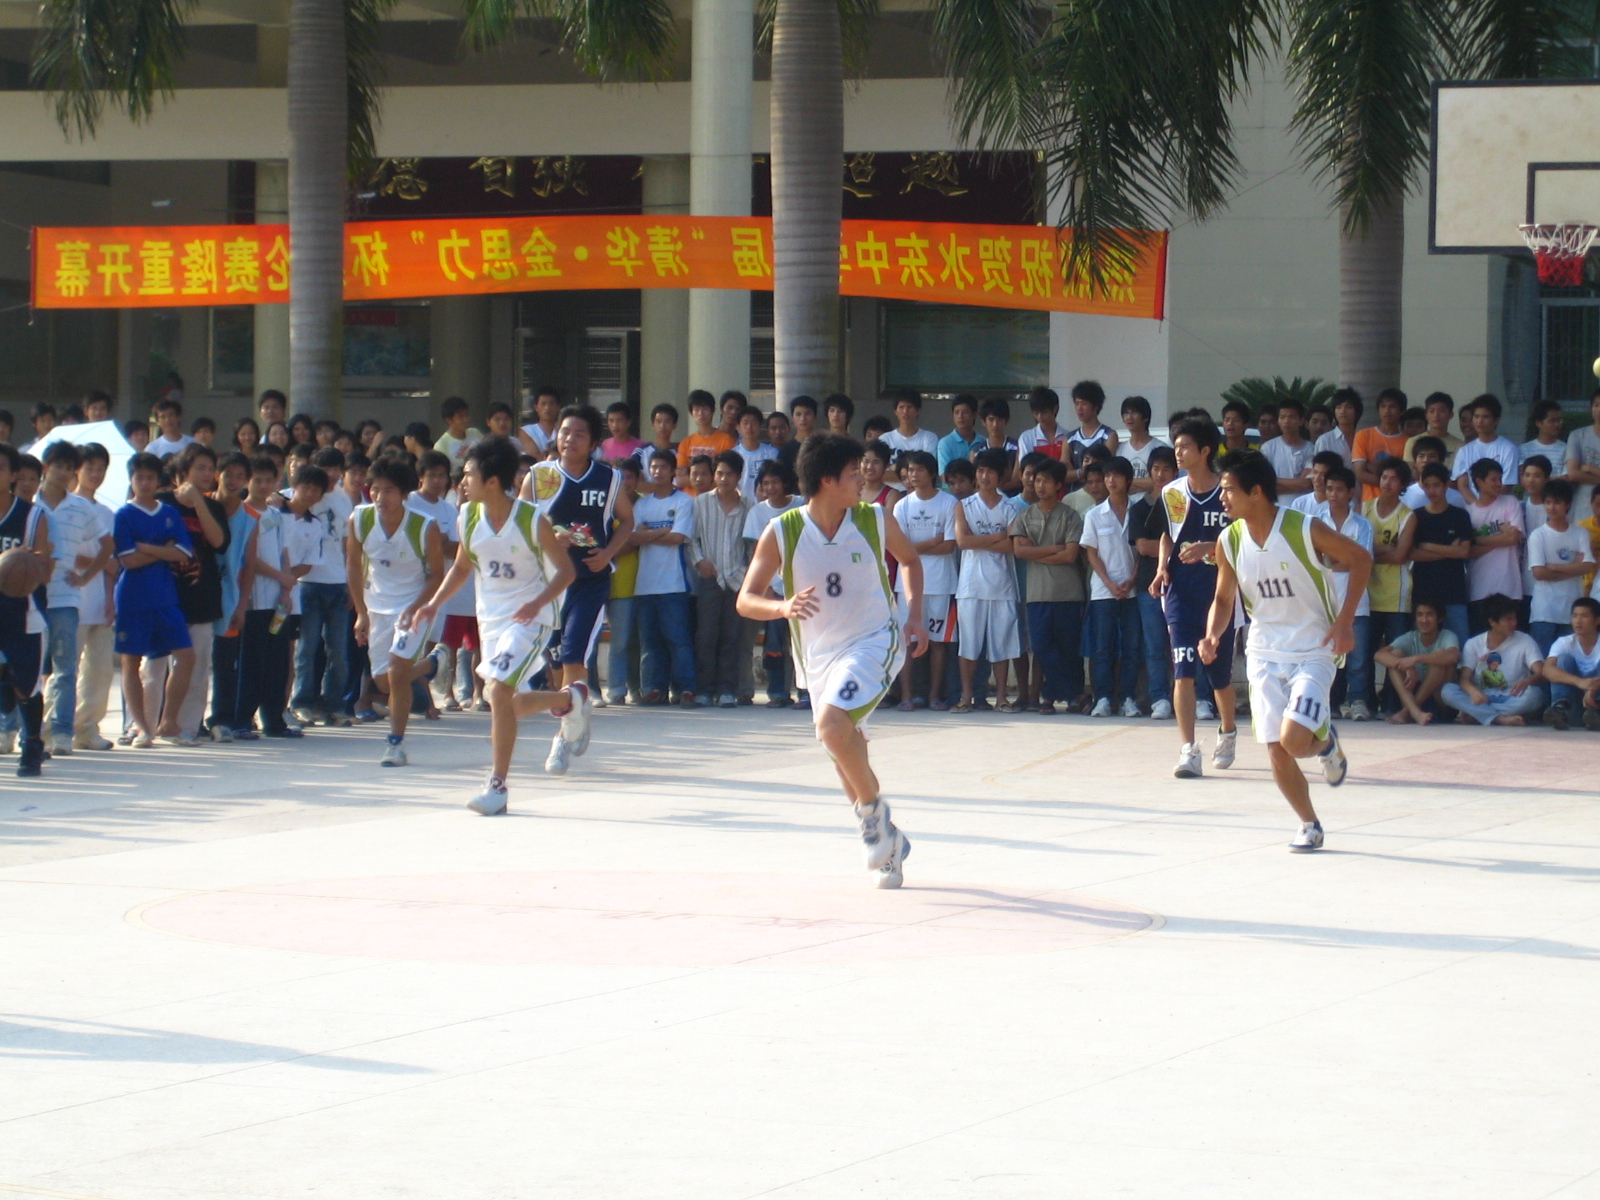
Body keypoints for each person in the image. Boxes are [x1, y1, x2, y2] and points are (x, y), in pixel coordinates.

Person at [737, 433, 928, 888]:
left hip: (874, 640)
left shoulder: (874, 517)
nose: (863, 479)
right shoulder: (782, 530)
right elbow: (746, 600)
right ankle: (887, 839)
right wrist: (782, 607)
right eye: (853, 472)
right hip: (819, 655)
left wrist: (915, 615)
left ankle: (873, 821)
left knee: (831, 725)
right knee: (842, 745)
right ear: (826, 481)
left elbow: (909, 561)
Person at [1204, 450, 1370, 852]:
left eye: (1228, 490)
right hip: (1264, 652)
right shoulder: (1230, 540)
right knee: (1276, 748)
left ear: (1256, 492)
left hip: (1314, 649)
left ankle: (1324, 743)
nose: (1221, 498)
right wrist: (1212, 635)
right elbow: (1224, 598)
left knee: (1295, 741)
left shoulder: (1303, 528)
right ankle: (1309, 823)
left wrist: (1345, 621)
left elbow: (1361, 559)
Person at [412, 437, 584, 815]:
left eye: (468, 474)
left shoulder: (531, 520)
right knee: (503, 701)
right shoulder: (468, 516)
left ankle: (497, 787)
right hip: (490, 620)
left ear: (492, 481)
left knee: (500, 692)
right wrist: (433, 604)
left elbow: (566, 572)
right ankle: (568, 700)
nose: (462, 481)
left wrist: (536, 603)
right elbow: (462, 567)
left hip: (530, 618)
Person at [521, 404, 633, 773]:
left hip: (589, 579)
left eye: (579, 434)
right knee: (554, 663)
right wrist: (547, 540)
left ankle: (562, 740)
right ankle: (576, 712)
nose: (570, 439)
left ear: (594, 442)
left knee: (573, 656)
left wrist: (608, 553)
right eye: (565, 431)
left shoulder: (608, 478)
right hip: (549, 583)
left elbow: (627, 520)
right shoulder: (539, 476)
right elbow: (520, 526)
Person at [1151, 418, 1239, 776]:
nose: (1178, 451)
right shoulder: (1172, 493)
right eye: (1176, 445)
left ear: (1205, 450)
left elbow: (1244, 542)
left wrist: (1210, 548)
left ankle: (1228, 730)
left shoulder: (1228, 492)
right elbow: (1167, 535)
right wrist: (1162, 567)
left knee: (1219, 677)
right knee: (1183, 671)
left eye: (1185, 445)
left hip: (1220, 595)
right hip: (1181, 593)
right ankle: (1188, 750)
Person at [346, 455, 445, 767]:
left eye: (388, 490)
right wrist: (361, 613)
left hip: (414, 608)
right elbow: (353, 566)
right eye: (375, 490)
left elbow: (437, 576)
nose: (380, 497)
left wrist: (415, 608)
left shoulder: (423, 526)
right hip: (377, 608)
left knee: (397, 671)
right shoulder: (359, 519)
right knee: (384, 683)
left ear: (404, 494)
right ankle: (431, 664)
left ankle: (395, 744)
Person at [142, 444, 231, 745]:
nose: (206, 474)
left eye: (210, 469)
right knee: (154, 667)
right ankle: (145, 726)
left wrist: (199, 504)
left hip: (201, 596)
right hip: (162, 594)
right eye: (199, 468)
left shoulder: (214, 507)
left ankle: (185, 727)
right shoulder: (162, 502)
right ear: (183, 472)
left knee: (197, 667)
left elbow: (218, 542)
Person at [113, 453, 194, 751]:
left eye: (150, 477)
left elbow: (184, 553)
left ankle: (168, 721)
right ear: (131, 480)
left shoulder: (169, 512)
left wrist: (145, 547)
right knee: (131, 661)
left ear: (159, 480)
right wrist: (162, 549)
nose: (145, 482)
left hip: (165, 596)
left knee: (186, 656)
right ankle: (141, 727)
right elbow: (129, 560)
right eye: (139, 477)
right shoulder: (123, 515)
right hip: (133, 596)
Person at [35, 442, 110, 757]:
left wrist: (87, 576)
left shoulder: (85, 508)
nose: (64, 472)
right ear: (45, 467)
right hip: (31, 595)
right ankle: (25, 729)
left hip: (68, 597)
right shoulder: (29, 502)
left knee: (69, 670)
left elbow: (108, 546)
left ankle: (65, 732)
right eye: (59, 466)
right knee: (28, 669)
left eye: (69, 467)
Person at [233, 456, 305, 740]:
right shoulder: (242, 513)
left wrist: (286, 588)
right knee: (251, 661)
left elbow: (284, 552)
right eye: (257, 480)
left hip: (277, 601)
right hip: (252, 599)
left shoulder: (277, 515)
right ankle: (242, 718)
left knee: (278, 661)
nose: (263, 486)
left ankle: (274, 719)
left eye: (268, 481)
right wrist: (279, 576)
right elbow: (248, 558)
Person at [1011, 457, 1084, 714]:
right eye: (1037, 480)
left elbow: (1070, 555)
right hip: (1037, 593)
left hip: (1068, 593)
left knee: (1068, 648)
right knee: (1041, 646)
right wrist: (1054, 549)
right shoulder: (1024, 516)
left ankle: (1052, 697)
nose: (1040, 485)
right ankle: (1075, 693)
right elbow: (1019, 551)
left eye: (1046, 481)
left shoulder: (1070, 516)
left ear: (1059, 485)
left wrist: (1037, 553)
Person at [953, 448, 1024, 712]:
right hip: (970, 586)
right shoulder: (964, 505)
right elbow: (963, 541)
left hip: (1002, 585)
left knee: (1001, 644)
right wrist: (997, 536)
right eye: (980, 471)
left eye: (990, 472)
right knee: (968, 644)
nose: (985, 476)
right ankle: (966, 696)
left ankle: (1002, 697)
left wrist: (980, 540)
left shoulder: (1011, 506)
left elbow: (1012, 545)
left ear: (1000, 475)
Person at [891, 451, 957, 710]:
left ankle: (934, 695)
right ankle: (907, 695)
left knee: (938, 642)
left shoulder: (949, 503)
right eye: (910, 470)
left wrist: (914, 548)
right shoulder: (901, 506)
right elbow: (899, 548)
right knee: (907, 641)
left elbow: (949, 545)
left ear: (931, 473)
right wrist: (933, 541)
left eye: (919, 469)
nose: (913, 475)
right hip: (907, 584)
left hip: (940, 582)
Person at [630, 449, 696, 705]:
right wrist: (662, 532)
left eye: (662, 467)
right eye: (653, 467)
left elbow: (678, 538)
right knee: (650, 642)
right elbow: (632, 537)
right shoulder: (642, 504)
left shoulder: (683, 501)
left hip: (674, 583)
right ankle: (653, 689)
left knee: (678, 641)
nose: (657, 472)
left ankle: (685, 689)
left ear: (672, 471)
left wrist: (648, 533)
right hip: (645, 585)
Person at [690, 450, 754, 707]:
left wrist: (748, 572)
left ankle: (727, 689)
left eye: (729, 474)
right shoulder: (701, 503)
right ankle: (705, 689)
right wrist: (700, 562)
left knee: (731, 636)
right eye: (719, 474)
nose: (723, 479)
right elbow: (691, 538)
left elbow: (752, 545)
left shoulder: (749, 506)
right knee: (706, 636)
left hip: (738, 579)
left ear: (738, 477)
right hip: (710, 577)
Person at [1081, 457, 1142, 717]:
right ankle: (1103, 698)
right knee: (1103, 648)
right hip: (1103, 591)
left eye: (1116, 476)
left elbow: (1142, 551)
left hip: (1132, 590)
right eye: (1107, 476)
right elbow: (1091, 553)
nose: (1110, 481)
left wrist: (1132, 579)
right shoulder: (1094, 515)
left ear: (1128, 480)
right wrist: (1109, 582)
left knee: (1131, 647)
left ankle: (1128, 698)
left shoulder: (1139, 510)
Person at [744, 460, 804, 707]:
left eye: (775, 482)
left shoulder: (801, 505)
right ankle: (777, 692)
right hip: (774, 590)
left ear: (785, 483)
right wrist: (764, 588)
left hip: (801, 586)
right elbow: (753, 553)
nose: (770, 487)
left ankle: (806, 693)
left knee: (802, 644)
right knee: (774, 645)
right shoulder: (757, 513)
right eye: (765, 483)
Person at [1316, 466, 1375, 719]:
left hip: (1355, 601)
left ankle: (1358, 700)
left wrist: (1332, 559)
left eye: (1339, 489)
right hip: (1323, 601)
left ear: (1351, 492)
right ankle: (1329, 702)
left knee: (1358, 659)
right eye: (1329, 488)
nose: (1333, 494)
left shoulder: (1363, 525)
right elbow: (1313, 560)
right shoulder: (1315, 521)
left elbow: (1362, 561)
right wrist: (1344, 558)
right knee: (1325, 656)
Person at [70, 444, 119, 751]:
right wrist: (99, 563)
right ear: (77, 469)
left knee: (99, 671)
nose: (95, 474)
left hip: (100, 599)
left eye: (101, 469)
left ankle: (87, 729)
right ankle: (54, 728)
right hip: (69, 598)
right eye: (90, 467)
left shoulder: (106, 513)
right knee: (65, 670)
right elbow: (64, 553)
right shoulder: (64, 507)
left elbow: (113, 562)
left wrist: (111, 599)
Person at [1440, 593, 1545, 726]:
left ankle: (1479, 715)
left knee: (1535, 695)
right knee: (1448, 691)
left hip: (1511, 696)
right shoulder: (1474, 644)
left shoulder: (1525, 640)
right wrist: (1472, 691)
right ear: (1492, 622)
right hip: (1481, 697)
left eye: (1514, 618)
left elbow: (1540, 673)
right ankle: (1499, 719)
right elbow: (1464, 679)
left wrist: (1527, 681)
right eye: (1508, 619)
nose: (1514, 623)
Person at [1130, 445, 1177, 720]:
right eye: (1156, 469)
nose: (1161, 474)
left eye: (1166, 469)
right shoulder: (1139, 508)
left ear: (1176, 472)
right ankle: (1160, 698)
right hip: (1149, 584)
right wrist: (1172, 549)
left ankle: (1195, 697)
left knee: (1184, 646)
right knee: (1155, 646)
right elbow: (1143, 547)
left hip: (1182, 584)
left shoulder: (1184, 505)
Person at [1364, 460, 1416, 695]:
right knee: (1366, 651)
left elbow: (1400, 556)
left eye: (1393, 479)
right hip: (1367, 592)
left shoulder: (1407, 516)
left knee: (1396, 654)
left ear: (1402, 484)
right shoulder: (1364, 509)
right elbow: (1358, 552)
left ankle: (1391, 700)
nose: (1387, 482)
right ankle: (1365, 700)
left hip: (1397, 594)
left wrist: (1370, 552)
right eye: (1384, 477)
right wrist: (1385, 549)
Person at [1409, 462, 1475, 646]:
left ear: (1446, 485)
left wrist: (1428, 545)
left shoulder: (1460, 515)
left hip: (1453, 593)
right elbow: (1412, 553)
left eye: (1436, 485)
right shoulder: (1416, 517)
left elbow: (1464, 551)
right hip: (1423, 593)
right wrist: (1449, 551)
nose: (1432, 490)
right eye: (1427, 485)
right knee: (1422, 648)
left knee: (1460, 646)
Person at [1526, 478, 1592, 655]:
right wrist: (1573, 568)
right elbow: (1539, 573)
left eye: (1557, 502)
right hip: (1544, 611)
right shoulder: (1538, 535)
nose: (1551, 507)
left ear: (1568, 504)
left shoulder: (1580, 533)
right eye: (1547, 502)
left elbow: (1587, 566)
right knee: (1542, 661)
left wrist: (1554, 567)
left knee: (1567, 662)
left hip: (1572, 611)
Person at [1463, 459, 1525, 633]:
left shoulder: (1510, 502)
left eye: (1500, 479)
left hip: (1509, 588)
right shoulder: (1468, 513)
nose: (1499, 484)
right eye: (1493, 479)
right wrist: (1501, 538)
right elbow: (1467, 551)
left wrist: (1478, 539)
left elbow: (1513, 538)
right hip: (1478, 589)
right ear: (1479, 481)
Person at [1375, 599, 1460, 724]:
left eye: (1429, 615)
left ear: (1439, 618)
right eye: (1420, 615)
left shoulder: (1447, 636)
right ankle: (1414, 712)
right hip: (1412, 697)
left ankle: (1407, 712)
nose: (1424, 620)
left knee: (1439, 658)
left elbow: (1453, 656)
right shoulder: (1411, 637)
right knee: (1395, 657)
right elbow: (1379, 655)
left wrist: (1416, 659)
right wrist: (1406, 666)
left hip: (1440, 702)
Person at [1541, 596, 1600, 730]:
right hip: (1575, 703)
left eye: (1584, 616)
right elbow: (1547, 670)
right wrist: (1580, 682)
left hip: (1593, 702)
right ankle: (1560, 710)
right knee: (1563, 660)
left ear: (1597, 620)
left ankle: (1596, 713)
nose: (1578, 621)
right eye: (1575, 616)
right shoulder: (1564, 642)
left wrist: (1592, 689)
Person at [1453, 393, 1521, 505]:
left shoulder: (1509, 449)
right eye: (1476, 416)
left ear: (1496, 420)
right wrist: (1477, 506)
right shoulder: (1464, 451)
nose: (1480, 421)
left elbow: (1507, 485)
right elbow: (1462, 485)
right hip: (1472, 508)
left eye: (1485, 417)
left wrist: (1488, 506)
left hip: (1500, 507)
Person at [1351, 388, 1410, 501]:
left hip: (1398, 503)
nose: (1387, 411)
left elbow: (1405, 477)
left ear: (1402, 411)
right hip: (1370, 502)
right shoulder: (1363, 435)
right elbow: (1360, 474)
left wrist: (1370, 467)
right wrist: (1393, 482)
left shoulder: (1408, 441)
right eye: (1383, 406)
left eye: (1392, 406)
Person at [1065, 381, 1118, 486]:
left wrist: (1077, 473)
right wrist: (1082, 472)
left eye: (1084, 404)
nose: (1079, 408)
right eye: (1076, 403)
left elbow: (1106, 469)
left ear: (1096, 406)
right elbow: (1063, 474)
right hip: (1075, 493)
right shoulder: (1070, 438)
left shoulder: (1109, 435)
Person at [676, 391, 735, 483]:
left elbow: (727, 476)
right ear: (691, 413)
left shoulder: (726, 440)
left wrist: (693, 479)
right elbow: (680, 480)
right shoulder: (686, 443)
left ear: (713, 411)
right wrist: (707, 480)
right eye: (696, 410)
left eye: (705, 409)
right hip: (690, 492)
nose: (700, 413)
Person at [1261, 398, 1313, 494]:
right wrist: (1297, 484)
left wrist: (1273, 480)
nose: (1286, 421)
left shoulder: (1311, 449)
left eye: (1291, 417)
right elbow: (1264, 483)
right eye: (1282, 417)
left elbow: (1306, 484)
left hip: (1302, 503)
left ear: (1301, 421)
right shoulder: (1268, 447)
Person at [1120, 395, 1167, 492]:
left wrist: (1126, 481)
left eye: (1134, 413)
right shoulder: (1120, 448)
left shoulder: (1160, 447)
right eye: (1126, 413)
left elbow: (1160, 481)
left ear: (1145, 417)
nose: (1129, 417)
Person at [1404, 392, 1464, 468]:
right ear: (1426, 415)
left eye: (1441, 411)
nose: (1436, 415)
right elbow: (1411, 470)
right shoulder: (1413, 442)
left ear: (1450, 414)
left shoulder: (1460, 446)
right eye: (1432, 411)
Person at [1565, 386, 1600, 514]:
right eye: (1596, 405)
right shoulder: (1577, 436)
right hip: (1583, 506)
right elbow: (1573, 473)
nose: (1599, 410)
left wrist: (1589, 468)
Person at [879, 388, 939, 461]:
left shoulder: (929, 438)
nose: (905, 411)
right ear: (895, 411)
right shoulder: (885, 439)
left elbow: (928, 465)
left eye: (910, 407)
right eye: (901, 407)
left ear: (918, 411)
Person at [732, 405, 778, 500]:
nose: (749, 427)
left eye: (753, 423)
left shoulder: (772, 453)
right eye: (745, 423)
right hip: (741, 504)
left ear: (760, 427)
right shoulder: (733, 454)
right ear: (738, 427)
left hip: (766, 503)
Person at [434, 397, 483, 475]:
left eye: (466, 415)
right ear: (449, 420)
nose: (465, 419)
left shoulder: (475, 433)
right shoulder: (441, 445)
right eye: (460, 417)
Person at [1313, 388, 1362, 466]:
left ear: (1357, 411)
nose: (1343, 411)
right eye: (1338, 407)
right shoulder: (1325, 440)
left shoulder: (1362, 438)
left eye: (1348, 407)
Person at [937, 394, 985, 475]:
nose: (960, 416)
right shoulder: (945, 443)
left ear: (974, 415)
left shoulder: (983, 442)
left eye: (965, 412)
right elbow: (945, 476)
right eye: (957, 412)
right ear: (952, 415)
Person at [1016, 387, 1066, 461]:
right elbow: (1025, 465)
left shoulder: (1067, 437)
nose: (1040, 417)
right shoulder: (1027, 438)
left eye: (1044, 412)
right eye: (1036, 413)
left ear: (1055, 409)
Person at [1521, 399, 1569, 472]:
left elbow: (1567, 476)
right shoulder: (1524, 450)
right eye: (1552, 421)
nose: (1557, 424)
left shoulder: (1567, 449)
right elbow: (1522, 476)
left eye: (1559, 420)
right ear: (1539, 423)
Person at [519, 386, 562, 458]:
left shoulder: (564, 430)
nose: (547, 408)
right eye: (543, 404)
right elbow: (534, 457)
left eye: (551, 403)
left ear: (558, 407)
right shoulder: (526, 431)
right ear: (536, 407)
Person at [600, 401, 647, 466]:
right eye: (611, 421)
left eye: (620, 420)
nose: (615, 425)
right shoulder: (605, 444)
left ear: (628, 422)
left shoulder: (641, 447)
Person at [1217, 400, 1259, 467]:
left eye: (1236, 420)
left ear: (1246, 425)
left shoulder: (1256, 452)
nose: (1230, 423)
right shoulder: (1216, 452)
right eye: (1227, 420)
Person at [779, 397, 815, 473]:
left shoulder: (824, 446)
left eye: (807, 414)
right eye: (798, 414)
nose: (802, 418)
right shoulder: (787, 450)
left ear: (815, 417)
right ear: (792, 418)